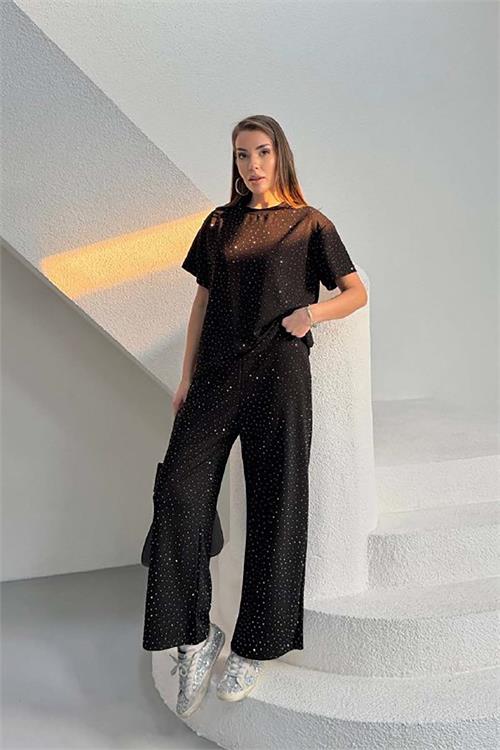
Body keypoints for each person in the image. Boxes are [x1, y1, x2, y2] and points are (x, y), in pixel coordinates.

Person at [142, 115, 367, 718]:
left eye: (262, 152)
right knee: (179, 491)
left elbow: (355, 292)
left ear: (280, 155)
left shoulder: (309, 223)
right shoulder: (219, 223)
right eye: (242, 155)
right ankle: (194, 637)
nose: (252, 165)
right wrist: (186, 377)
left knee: (277, 502)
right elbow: (202, 302)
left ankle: (253, 647)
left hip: (280, 373)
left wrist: (310, 315)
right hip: (216, 375)